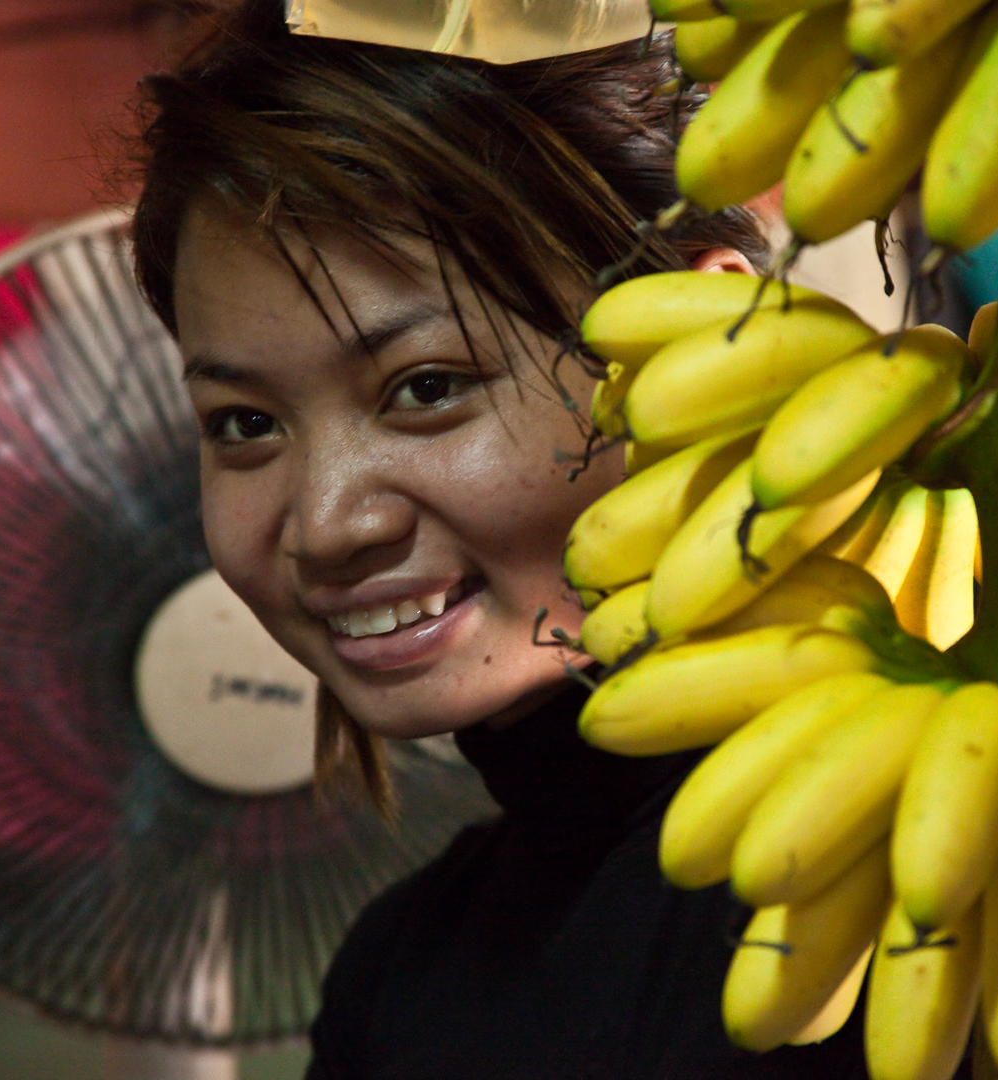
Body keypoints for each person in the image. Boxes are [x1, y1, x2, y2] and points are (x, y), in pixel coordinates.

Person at [128, 2, 878, 1076]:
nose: (330, 525)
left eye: (425, 388)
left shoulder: (948, 893)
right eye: (245, 424)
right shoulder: (392, 986)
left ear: (700, 342)